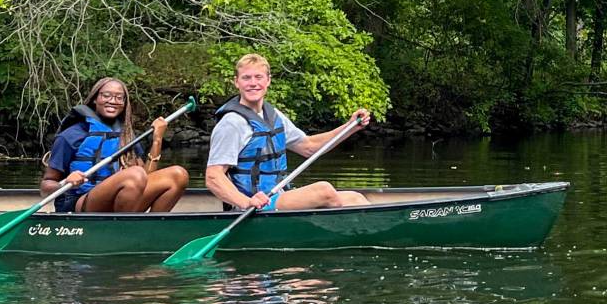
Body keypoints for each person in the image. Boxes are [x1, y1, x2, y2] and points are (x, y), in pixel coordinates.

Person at [205, 53, 372, 212]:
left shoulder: (273, 116)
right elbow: (213, 177)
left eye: (258, 77)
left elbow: (309, 147)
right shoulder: (232, 123)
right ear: (237, 82)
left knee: (356, 199)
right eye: (246, 78)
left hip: (279, 196)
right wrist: (246, 202)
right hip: (252, 205)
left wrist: (350, 126)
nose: (253, 83)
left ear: (268, 80)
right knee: (324, 190)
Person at [41, 78, 189, 213]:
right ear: (95, 99)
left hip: (123, 201)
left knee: (178, 175)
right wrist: (66, 182)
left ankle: (149, 228)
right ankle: (121, 229)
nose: (113, 101)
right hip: (79, 202)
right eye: (106, 95)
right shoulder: (71, 135)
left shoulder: (126, 135)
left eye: (119, 98)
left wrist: (157, 139)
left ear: (125, 103)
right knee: (135, 174)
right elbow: (45, 188)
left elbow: (146, 178)